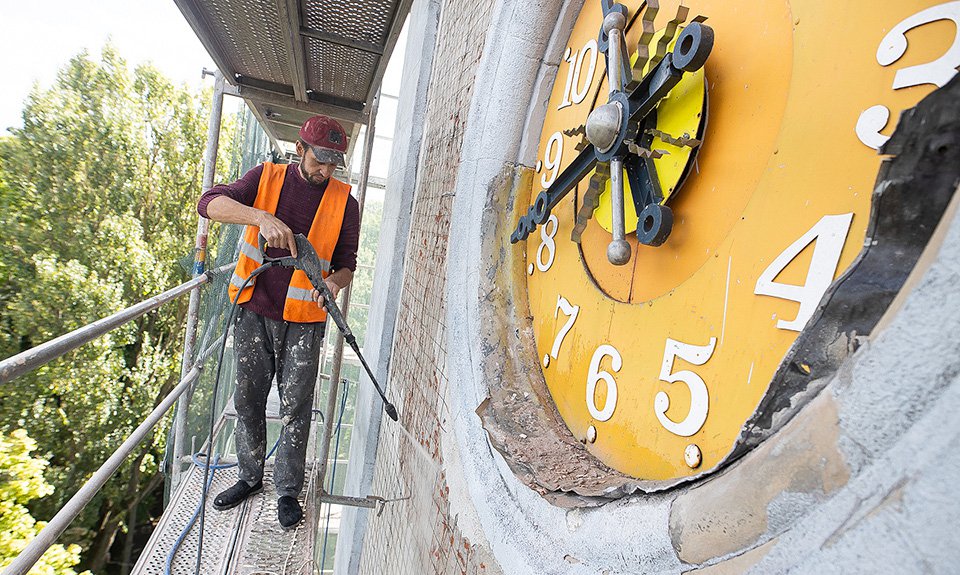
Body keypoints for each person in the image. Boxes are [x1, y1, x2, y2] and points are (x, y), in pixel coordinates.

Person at [197, 114, 360, 529]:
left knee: (296, 407)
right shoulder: (265, 178)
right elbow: (209, 202)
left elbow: (346, 265)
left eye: (334, 163)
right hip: (254, 308)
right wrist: (259, 218)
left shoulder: (346, 203)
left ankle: (288, 490)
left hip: (305, 319)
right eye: (320, 159)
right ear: (300, 150)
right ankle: (250, 477)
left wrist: (335, 285)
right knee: (248, 399)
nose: (326, 170)